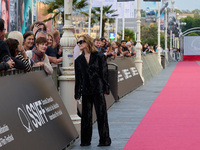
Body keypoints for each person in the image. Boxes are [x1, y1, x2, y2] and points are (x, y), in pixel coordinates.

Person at [75, 34, 111, 147]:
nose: (79, 44)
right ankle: (85, 140)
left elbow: (104, 74)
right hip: (86, 90)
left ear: (87, 42)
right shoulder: (78, 60)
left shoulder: (99, 56)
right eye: (78, 42)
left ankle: (104, 140)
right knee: (86, 116)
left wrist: (106, 88)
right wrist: (77, 93)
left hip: (98, 88)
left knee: (102, 115)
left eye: (81, 42)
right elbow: (78, 78)